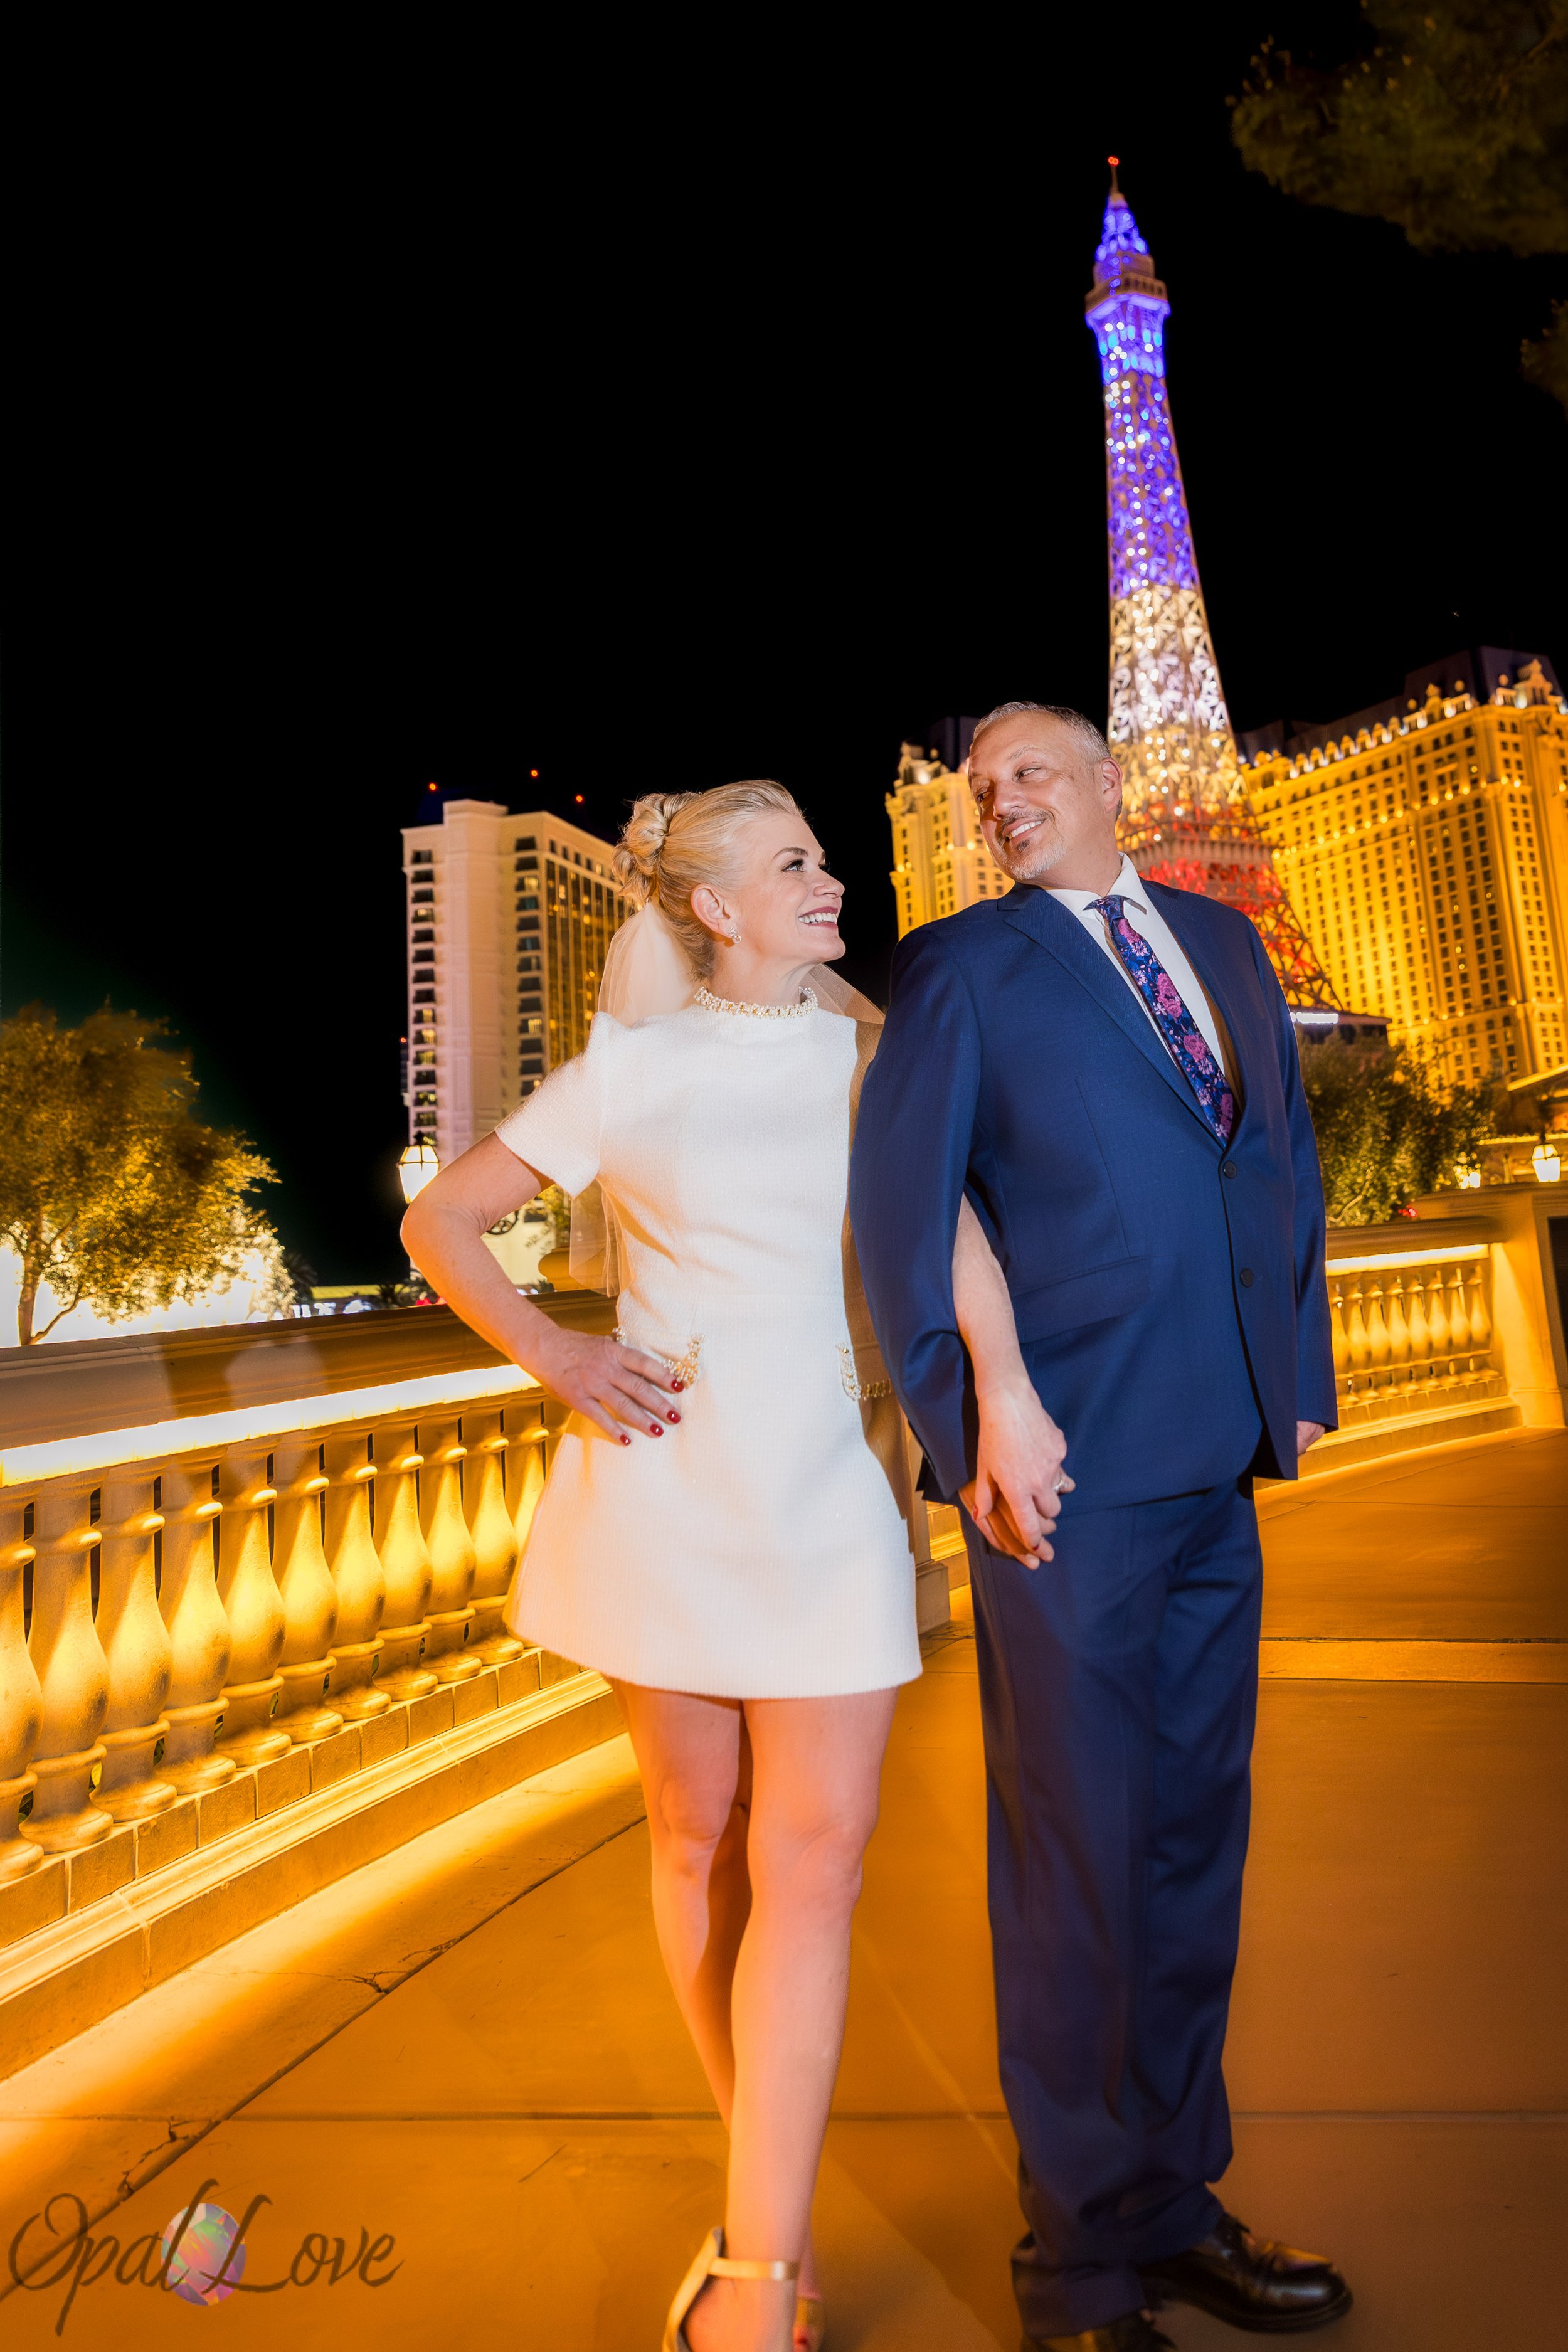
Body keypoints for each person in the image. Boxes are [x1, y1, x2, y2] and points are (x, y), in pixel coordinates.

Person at [402, 780, 1015, 2352]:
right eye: (794, 865)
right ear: (718, 912)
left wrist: (1004, 1399)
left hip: (822, 1497)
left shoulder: (879, 1058)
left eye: (820, 855)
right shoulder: (632, 1069)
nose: (828, 881)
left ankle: (756, 2263)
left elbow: (953, 1238)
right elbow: (443, 1220)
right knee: (694, 1840)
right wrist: (558, 1354)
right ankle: (773, 2206)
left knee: (814, 1871)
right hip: (661, 1488)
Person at [850, 703, 1354, 2352]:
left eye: (1032, 771)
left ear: (1112, 780)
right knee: (1074, 1864)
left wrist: (1287, 1391)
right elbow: (904, 1211)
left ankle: (1169, 2199)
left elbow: (1269, 1156)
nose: (1002, 799)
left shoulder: (1215, 935)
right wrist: (976, 1414)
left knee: (1190, 1845)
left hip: (1214, 1462)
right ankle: (1075, 2261)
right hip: (1059, 1481)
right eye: (984, 784)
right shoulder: (961, 965)